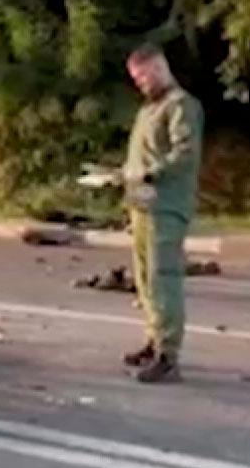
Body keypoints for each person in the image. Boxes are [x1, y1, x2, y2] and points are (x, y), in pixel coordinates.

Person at [81, 44, 204, 384]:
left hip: (166, 206)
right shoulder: (149, 111)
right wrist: (118, 175)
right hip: (143, 206)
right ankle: (154, 340)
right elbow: (141, 159)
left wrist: (148, 173)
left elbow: (184, 154)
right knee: (146, 280)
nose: (140, 84)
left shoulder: (181, 106)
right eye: (136, 79)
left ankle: (169, 354)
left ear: (159, 67)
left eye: (143, 76)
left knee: (164, 278)